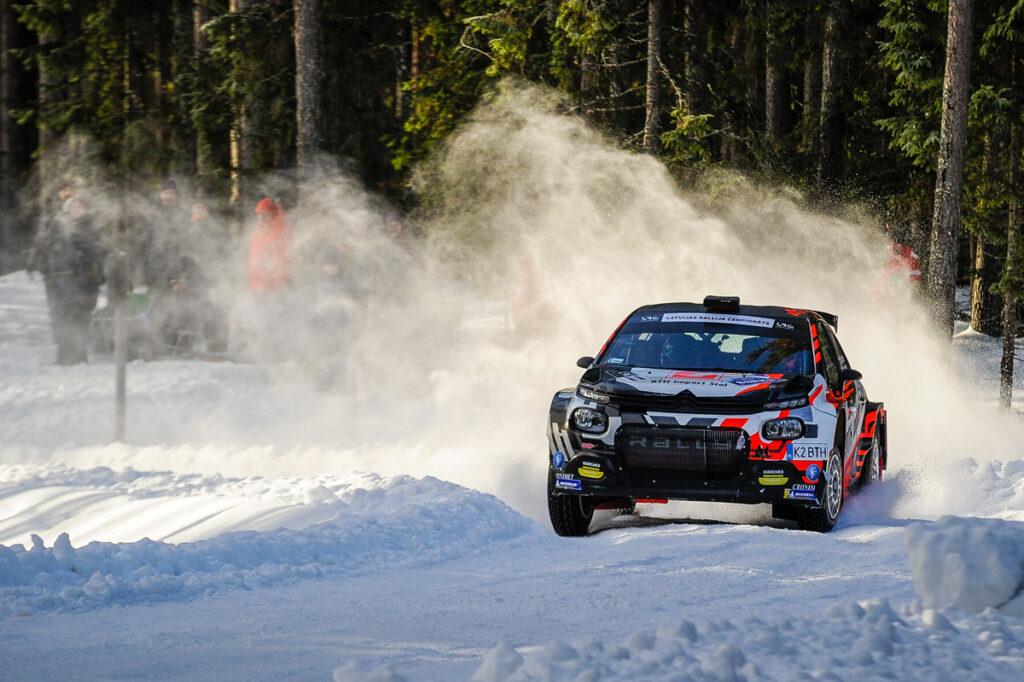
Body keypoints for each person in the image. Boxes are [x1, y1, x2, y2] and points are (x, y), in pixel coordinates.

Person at [27, 185, 106, 365]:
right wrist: (42, 267)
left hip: (84, 282)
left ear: (85, 209)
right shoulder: (57, 226)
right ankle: (64, 356)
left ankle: (80, 356)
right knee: (61, 318)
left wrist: (88, 270)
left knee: (80, 318)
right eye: (72, 206)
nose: (75, 209)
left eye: (79, 206)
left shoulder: (90, 227)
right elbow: (45, 247)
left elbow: (99, 252)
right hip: (60, 281)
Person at [248, 197, 293, 359]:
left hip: (274, 284)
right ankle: (264, 350)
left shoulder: (280, 229)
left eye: (265, 214)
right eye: (259, 214)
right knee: (262, 318)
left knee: (275, 318)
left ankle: (277, 351)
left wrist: (278, 280)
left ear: (272, 214)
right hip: (259, 283)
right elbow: (253, 257)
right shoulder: (258, 231)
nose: (261, 217)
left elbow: (283, 258)